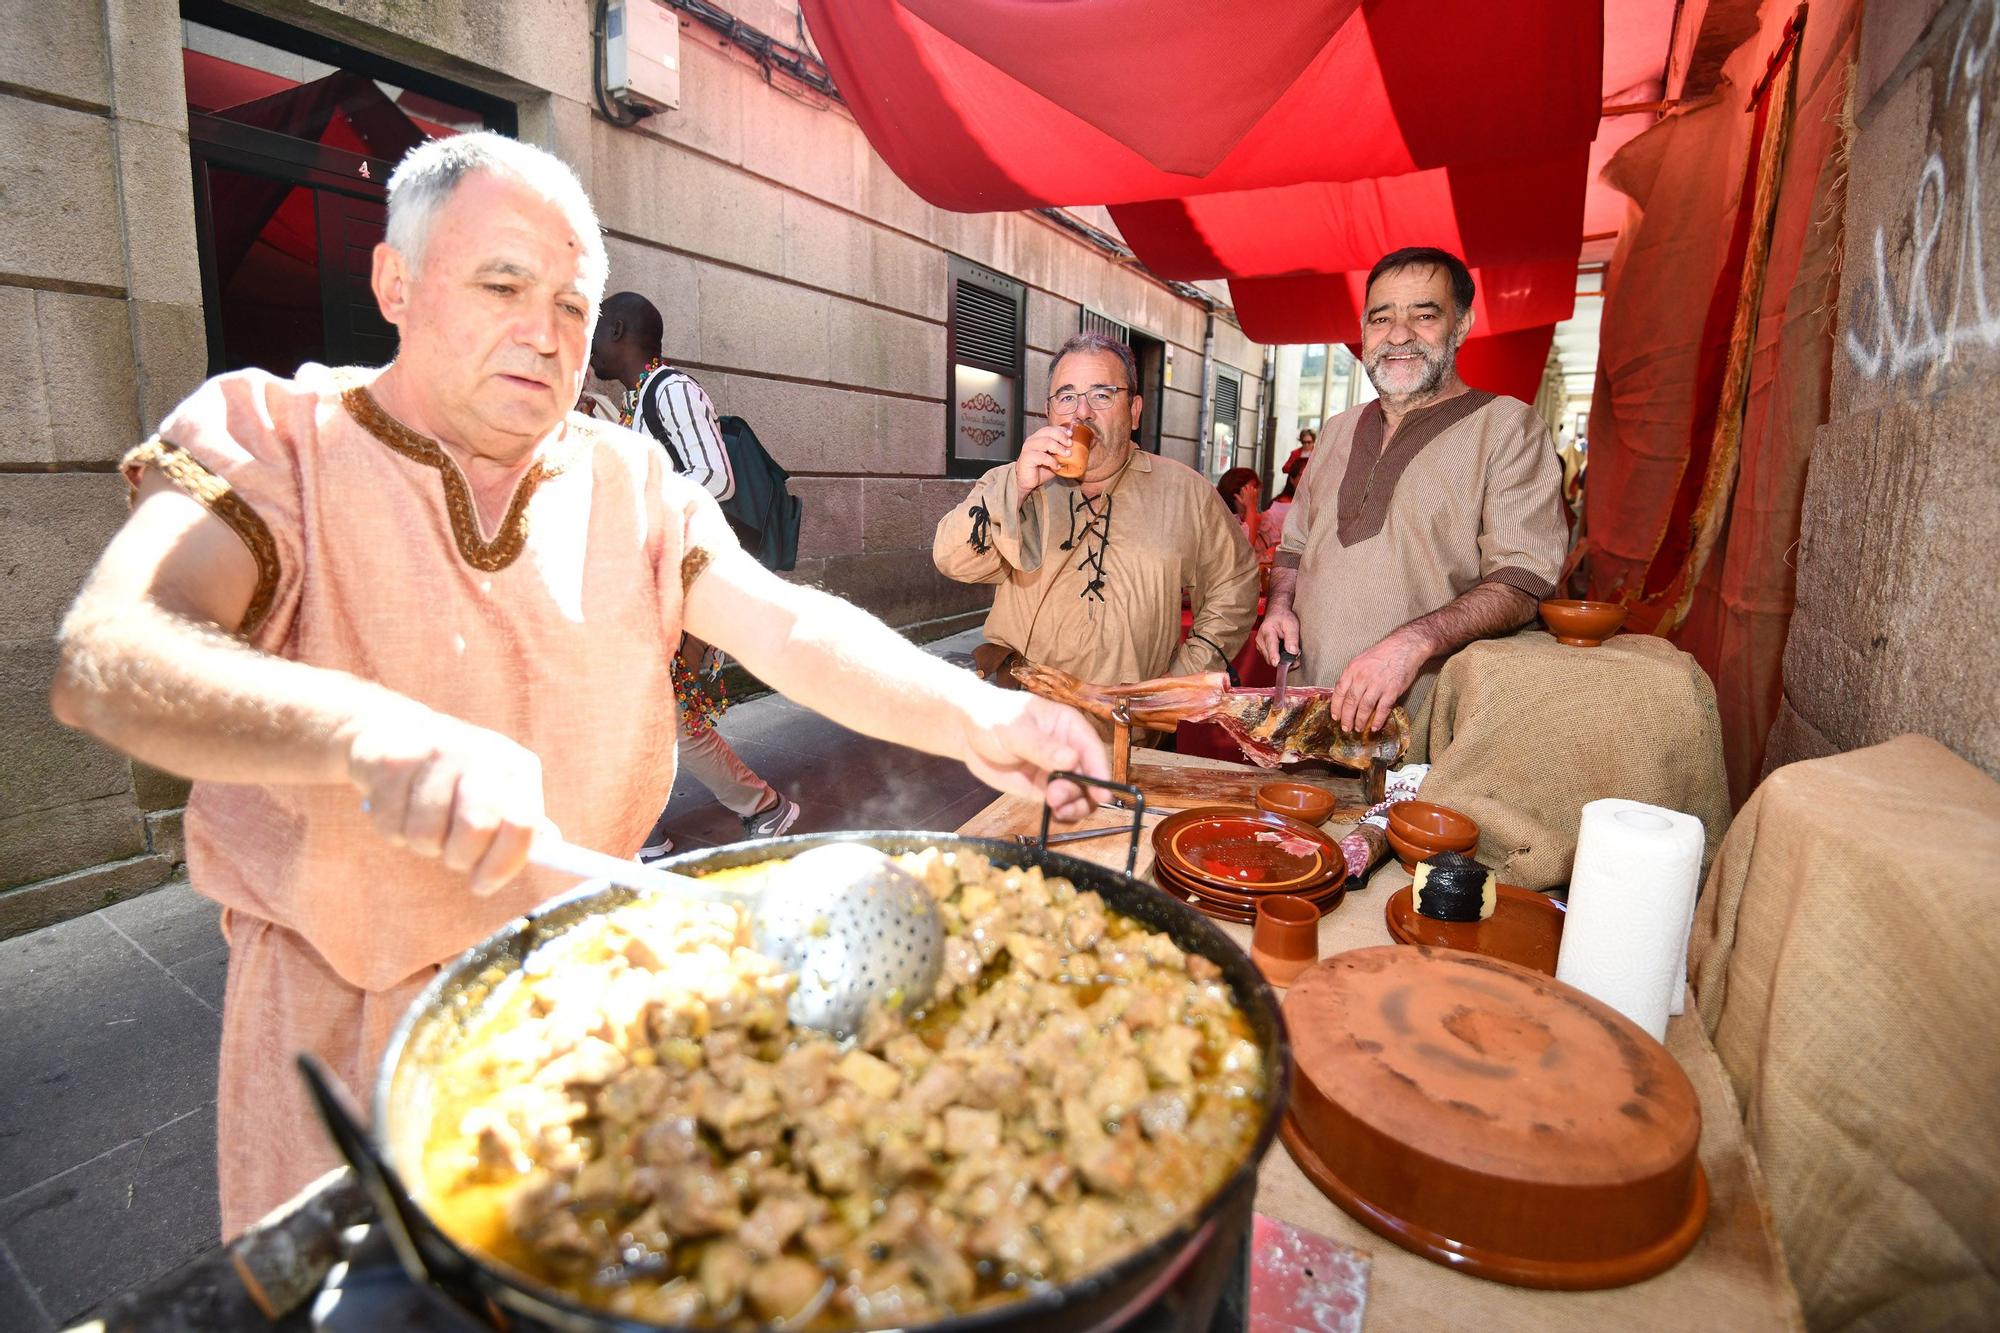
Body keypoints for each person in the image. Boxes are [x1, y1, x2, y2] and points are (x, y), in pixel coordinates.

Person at [48, 131, 1109, 1238]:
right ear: (394, 282)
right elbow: (113, 656)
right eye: (502, 284)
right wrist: (362, 732)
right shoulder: (278, 439)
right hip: (347, 1031)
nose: (542, 335)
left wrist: (975, 712)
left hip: (587, 988)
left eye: (572, 305)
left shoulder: (626, 476)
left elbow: (783, 620)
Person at [1255, 246, 1568, 735]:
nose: (1399, 335)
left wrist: (1413, 642)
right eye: (1381, 318)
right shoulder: (1338, 429)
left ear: (1460, 325)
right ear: (1363, 331)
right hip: (1309, 711)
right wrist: (1279, 607)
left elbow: (1523, 582)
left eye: (1424, 315)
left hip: (1425, 724)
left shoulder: (1507, 427)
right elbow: (1293, 550)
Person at [932, 332, 1259, 721]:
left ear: (1134, 411)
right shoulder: (1012, 481)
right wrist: (1017, 487)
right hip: (1026, 718)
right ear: (1049, 412)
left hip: (1131, 728)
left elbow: (1234, 584)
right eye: (1067, 397)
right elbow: (953, 562)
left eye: (1102, 395)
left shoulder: (1187, 492)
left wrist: (1181, 678)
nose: (1081, 412)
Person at [590, 290, 797, 855]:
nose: (587, 348)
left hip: (681, 587)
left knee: (660, 712)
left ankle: (752, 809)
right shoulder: (636, 402)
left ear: (619, 331)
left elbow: (716, 477)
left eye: (594, 330)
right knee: (648, 710)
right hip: (657, 586)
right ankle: (660, 828)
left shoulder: (672, 390)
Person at [1216, 466, 1274, 563]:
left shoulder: (1262, 519)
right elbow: (1246, 546)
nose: (1257, 492)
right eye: (1252, 488)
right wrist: (1250, 506)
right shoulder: (1225, 521)